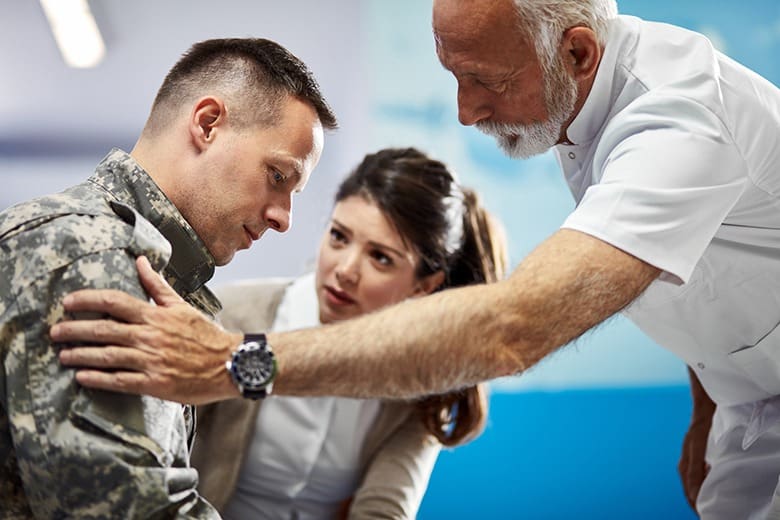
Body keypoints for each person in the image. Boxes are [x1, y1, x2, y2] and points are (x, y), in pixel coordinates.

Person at [51, 0, 780, 518]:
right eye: (454, 75)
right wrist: (710, 400)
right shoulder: (587, 106)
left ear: (578, 52)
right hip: (749, 403)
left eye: (487, 81)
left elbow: (512, 329)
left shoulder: (676, 123)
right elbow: (702, 256)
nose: (465, 111)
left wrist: (233, 365)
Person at [0, 37, 337, 518]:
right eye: (279, 176)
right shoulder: (93, 257)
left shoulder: (140, 266)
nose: (285, 218)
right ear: (207, 124)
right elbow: (136, 510)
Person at [194, 147, 506, 519]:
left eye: (381, 257)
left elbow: (384, 512)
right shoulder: (227, 319)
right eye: (339, 237)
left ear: (424, 286)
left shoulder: (417, 380)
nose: (345, 269)